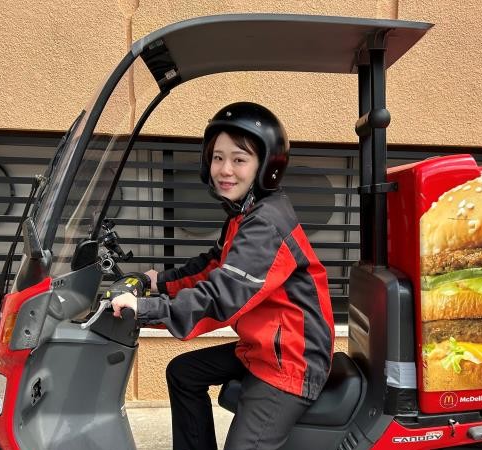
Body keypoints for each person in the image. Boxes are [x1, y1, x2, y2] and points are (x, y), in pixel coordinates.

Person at [110, 102, 335, 450]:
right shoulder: (245, 215)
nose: (224, 169)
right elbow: (214, 264)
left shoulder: (265, 224)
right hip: (264, 345)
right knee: (183, 373)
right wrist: (160, 281)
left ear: (266, 166)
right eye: (217, 157)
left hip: (290, 361)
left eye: (239, 159)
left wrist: (147, 309)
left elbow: (223, 295)